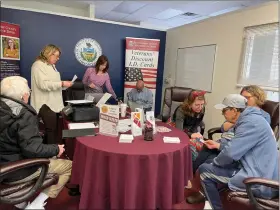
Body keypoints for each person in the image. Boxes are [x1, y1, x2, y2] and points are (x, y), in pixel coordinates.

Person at [187, 85, 271, 203]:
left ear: (235, 110)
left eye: (224, 110)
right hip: (250, 163)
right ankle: (192, 177)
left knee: (205, 170)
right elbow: (235, 145)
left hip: (257, 177)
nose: (222, 114)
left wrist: (215, 164)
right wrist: (220, 147)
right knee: (208, 158)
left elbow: (231, 153)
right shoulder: (250, 118)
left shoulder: (251, 123)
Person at [0, 76, 72, 210]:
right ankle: (36, 205)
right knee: (68, 166)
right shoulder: (23, 115)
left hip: (3, 168)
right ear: (24, 95)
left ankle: (19, 202)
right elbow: (32, 150)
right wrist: (56, 149)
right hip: (18, 171)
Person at [31, 44, 73, 144]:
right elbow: (43, 85)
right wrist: (62, 83)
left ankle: (51, 150)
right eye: (56, 56)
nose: (58, 59)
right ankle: (51, 154)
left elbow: (54, 83)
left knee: (53, 130)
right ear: (49, 53)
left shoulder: (52, 66)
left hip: (54, 103)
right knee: (51, 130)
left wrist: (64, 85)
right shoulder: (38, 65)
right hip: (44, 104)